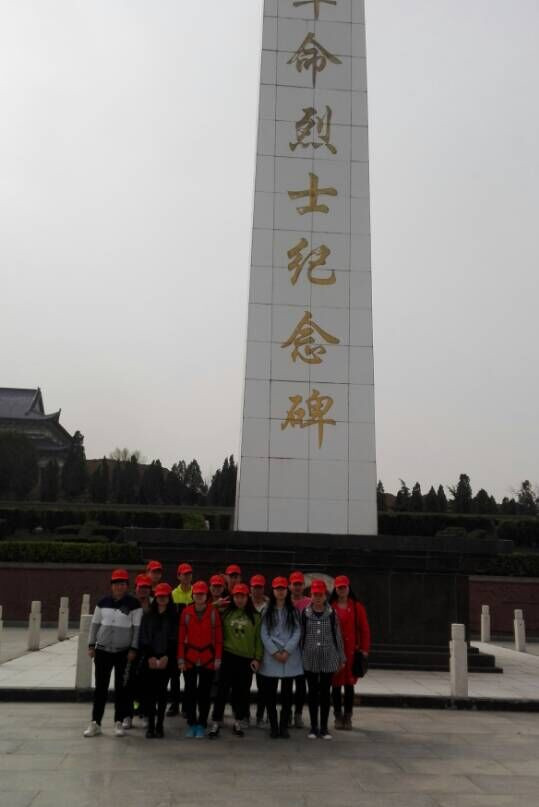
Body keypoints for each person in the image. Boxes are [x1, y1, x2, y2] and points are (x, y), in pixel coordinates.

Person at [84, 569, 142, 738]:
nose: (119, 587)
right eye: (116, 584)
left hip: (123, 653)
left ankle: (119, 721)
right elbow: (95, 624)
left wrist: (133, 648)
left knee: (121, 688)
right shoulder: (102, 602)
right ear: (111, 585)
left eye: (122, 584)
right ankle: (96, 723)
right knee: (100, 688)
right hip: (102, 651)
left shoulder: (134, 604)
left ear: (127, 586)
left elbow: (136, 629)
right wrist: (91, 645)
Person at [209, 583, 263, 738]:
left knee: (242, 691)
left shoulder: (255, 617)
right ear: (233, 598)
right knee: (222, 690)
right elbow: (205, 612)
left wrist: (257, 658)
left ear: (248, 597)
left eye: (242, 596)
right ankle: (216, 720)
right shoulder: (225, 613)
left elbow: (258, 639)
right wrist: (215, 604)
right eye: (237, 596)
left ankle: (238, 720)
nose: (239, 599)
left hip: (246, 659)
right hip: (228, 656)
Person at [301, 579, 346, 740]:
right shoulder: (305, 613)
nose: (318, 597)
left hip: (328, 657)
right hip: (310, 658)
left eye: (320, 594)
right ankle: (313, 727)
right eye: (315, 594)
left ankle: (324, 728)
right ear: (311, 595)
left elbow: (337, 636)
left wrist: (341, 657)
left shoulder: (332, 614)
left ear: (325, 596)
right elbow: (301, 636)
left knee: (326, 694)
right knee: (312, 693)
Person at [178, 580, 223, 738]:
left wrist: (218, 658)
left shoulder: (213, 612)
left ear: (206, 596)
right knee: (190, 692)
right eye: (196, 594)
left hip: (208, 658)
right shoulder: (186, 612)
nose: (199, 596)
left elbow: (218, 638)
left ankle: (202, 723)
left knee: (205, 693)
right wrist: (180, 659)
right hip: (189, 658)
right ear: (193, 595)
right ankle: (191, 722)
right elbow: (181, 638)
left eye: (202, 594)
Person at [259, 577, 302, 739]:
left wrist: (287, 650)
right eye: (277, 589)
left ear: (287, 590)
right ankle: (273, 726)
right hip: (272, 657)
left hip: (289, 657)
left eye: (283, 589)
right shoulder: (266, 610)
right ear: (273, 591)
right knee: (270, 694)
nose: (280, 592)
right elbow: (263, 633)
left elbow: (297, 631)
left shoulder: (293, 610)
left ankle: (284, 726)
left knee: (287, 695)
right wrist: (275, 652)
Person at [330, 575, 371, 730]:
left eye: (344, 587)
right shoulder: (330, 606)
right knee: (335, 685)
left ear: (349, 588)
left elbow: (364, 629)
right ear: (335, 589)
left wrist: (364, 649)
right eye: (339, 587)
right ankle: (337, 716)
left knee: (349, 685)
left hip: (352, 652)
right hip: (335, 651)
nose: (342, 590)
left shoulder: (356, 607)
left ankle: (348, 716)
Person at [138, 582, 178, 738]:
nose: (162, 599)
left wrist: (166, 656)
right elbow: (143, 637)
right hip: (151, 660)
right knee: (150, 694)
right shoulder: (148, 616)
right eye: (159, 596)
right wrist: (150, 657)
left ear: (169, 598)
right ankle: (151, 725)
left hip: (166, 660)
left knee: (162, 694)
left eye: (165, 596)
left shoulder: (174, 617)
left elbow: (175, 639)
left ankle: (160, 725)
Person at [168, 562, 194, 717]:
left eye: (189, 574)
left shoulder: (196, 592)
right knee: (174, 675)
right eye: (184, 574)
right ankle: (174, 704)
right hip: (176, 641)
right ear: (178, 576)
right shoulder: (172, 594)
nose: (187, 576)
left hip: (192, 641)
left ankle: (187, 705)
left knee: (189, 676)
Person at [288, 571, 311, 727]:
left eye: (299, 584)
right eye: (294, 584)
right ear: (290, 586)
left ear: (303, 586)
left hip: (304, 648)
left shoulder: (310, 602)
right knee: (287, 683)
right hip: (289, 649)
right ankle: (288, 713)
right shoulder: (285, 601)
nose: (297, 587)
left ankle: (298, 714)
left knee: (301, 683)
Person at [250, 574, 269, 726]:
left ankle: (260, 715)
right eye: (255, 587)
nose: (257, 590)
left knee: (264, 685)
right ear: (251, 588)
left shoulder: (270, 605)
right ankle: (243, 714)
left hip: (265, 650)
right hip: (247, 649)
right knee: (243, 685)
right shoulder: (244, 603)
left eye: (260, 587)